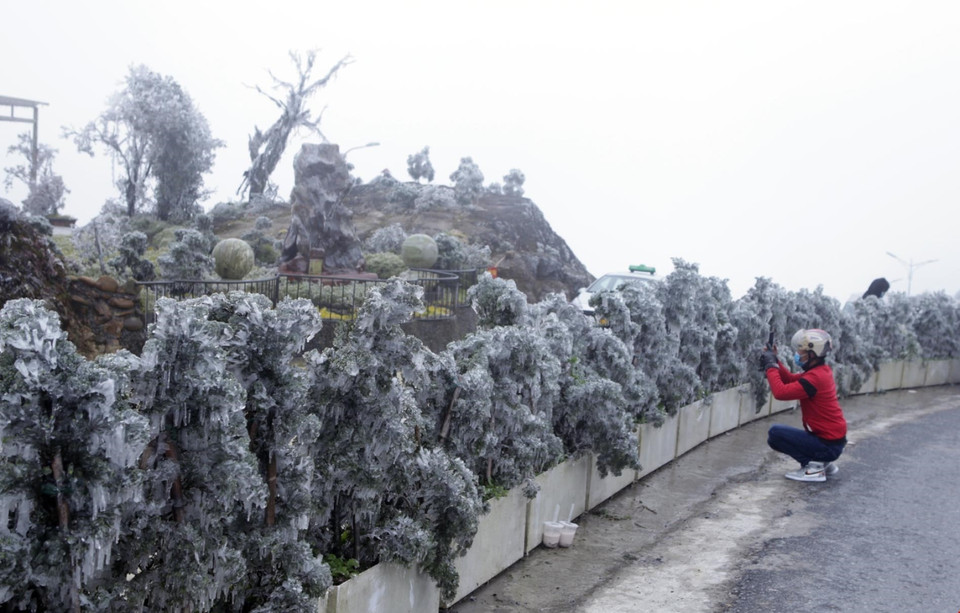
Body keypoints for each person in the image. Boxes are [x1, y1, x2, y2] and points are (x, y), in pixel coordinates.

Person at [759, 328, 847, 482]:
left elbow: (780, 392)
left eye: (801, 351)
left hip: (828, 445)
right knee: (776, 436)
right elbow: (790, 379)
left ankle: (813, 468)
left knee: (775, 434)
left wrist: (771, 366)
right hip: (832, 442)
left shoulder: (815, 378)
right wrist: (774, 360)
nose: (798, 354)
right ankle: (823, 464)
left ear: (812, 354)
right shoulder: (820, 372)